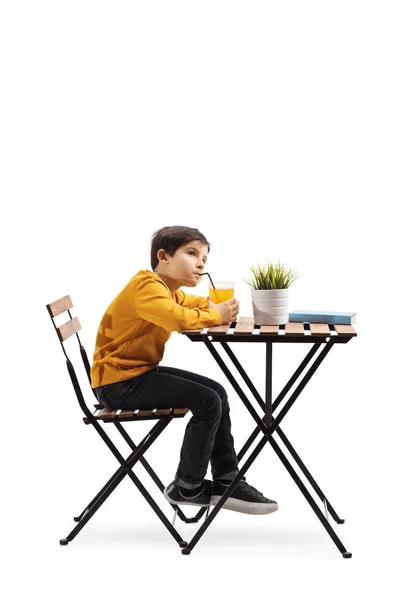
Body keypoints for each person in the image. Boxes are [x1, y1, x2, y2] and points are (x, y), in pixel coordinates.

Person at [91, 225, 278, 515]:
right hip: (118, 384)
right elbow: (179, 319)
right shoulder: (147, 287)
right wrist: (216, 313)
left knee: (215, 392)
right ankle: (187, 486)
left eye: (204, 257)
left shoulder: (168, 290)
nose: (201, 263)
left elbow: (194, 306)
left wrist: (215, 307)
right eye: (192, 253)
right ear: (163, 256)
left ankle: (227, 480)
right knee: (207, 400)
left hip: (133, 375)